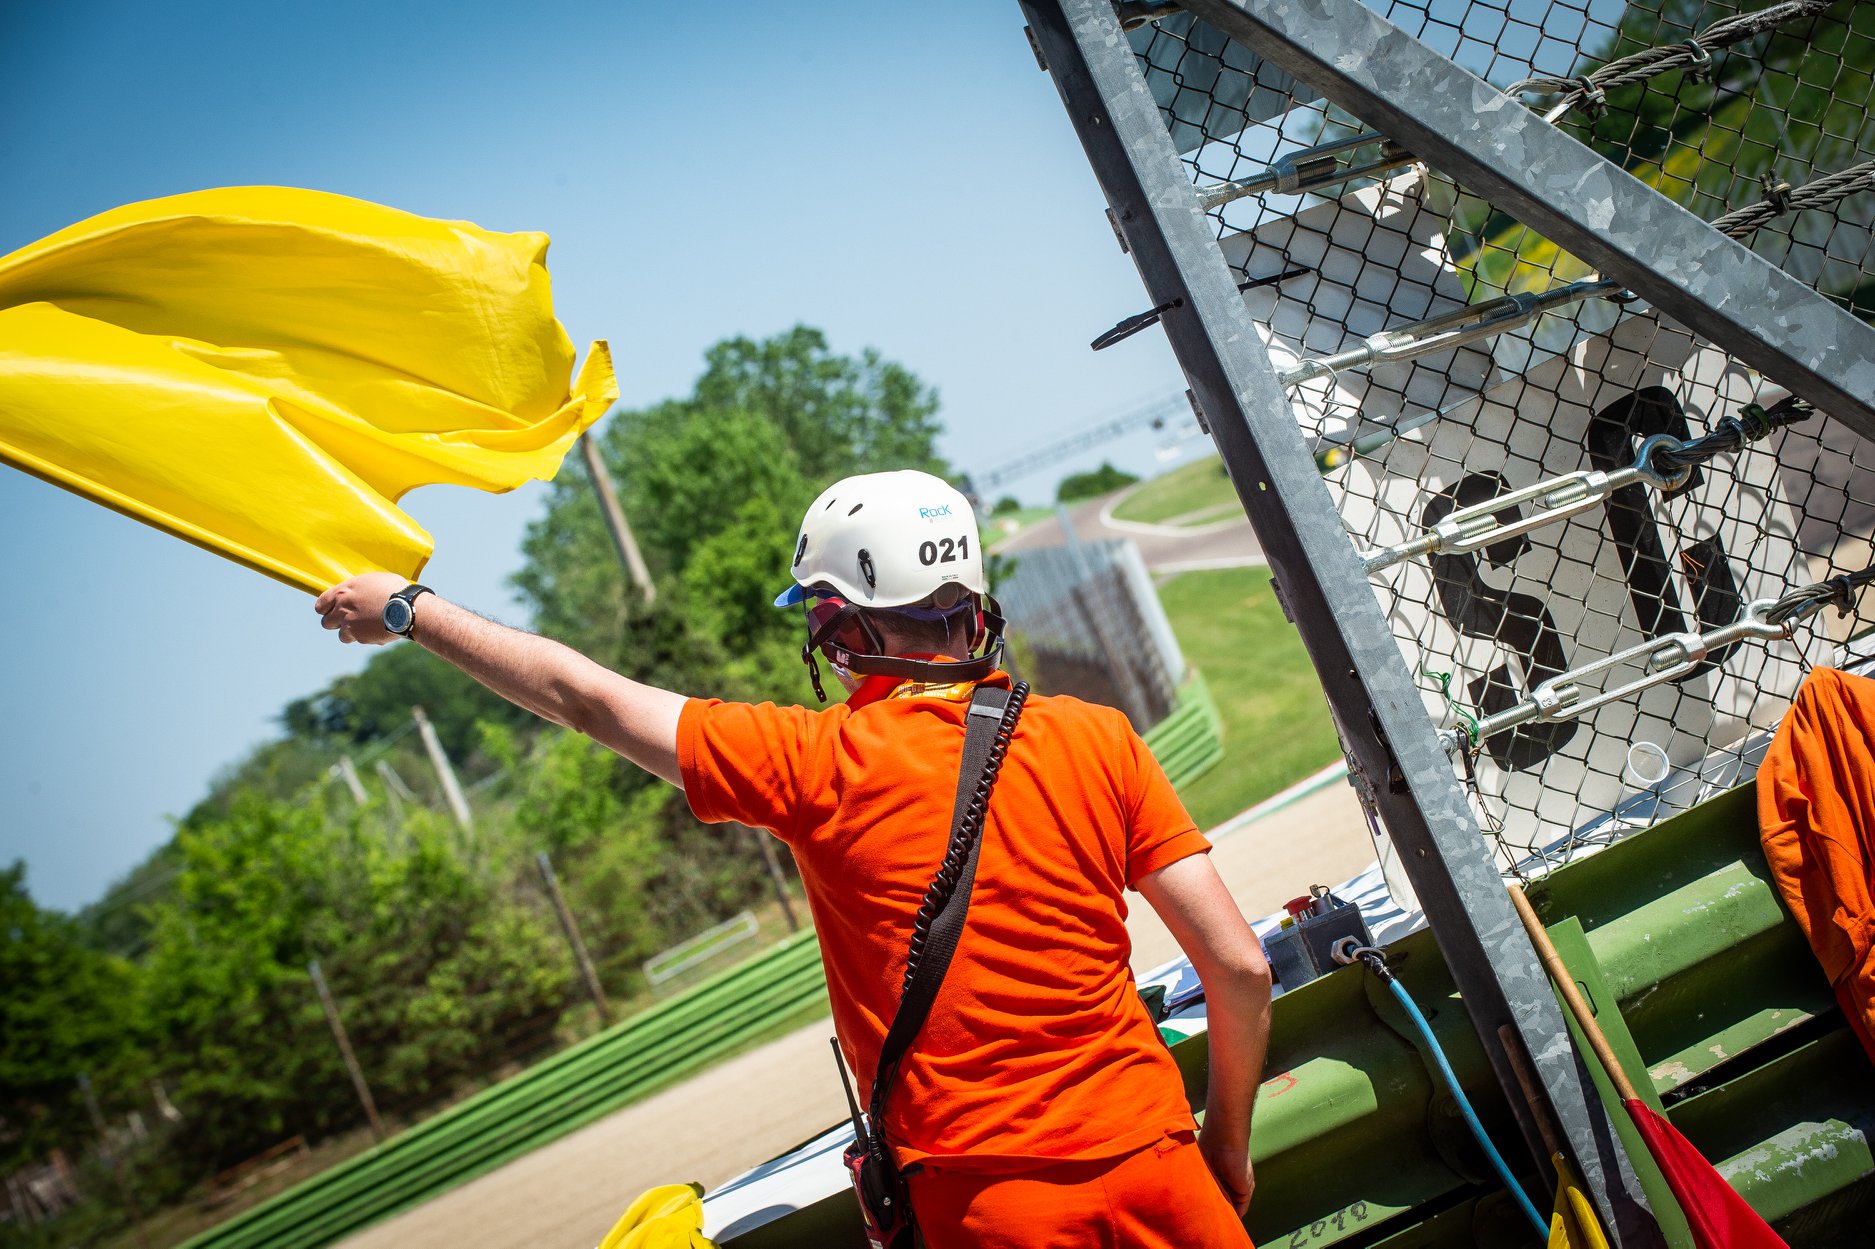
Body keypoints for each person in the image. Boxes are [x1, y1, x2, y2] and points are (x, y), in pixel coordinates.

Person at [315, 468, 1271, 1248]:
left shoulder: (812, 761)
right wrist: (1224, 1140)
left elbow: (585, 697)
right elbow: (1236, 966)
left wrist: (407, 612)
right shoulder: (1097, 736)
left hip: (987, 1209)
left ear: (840, 626)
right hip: (1163, 1169)